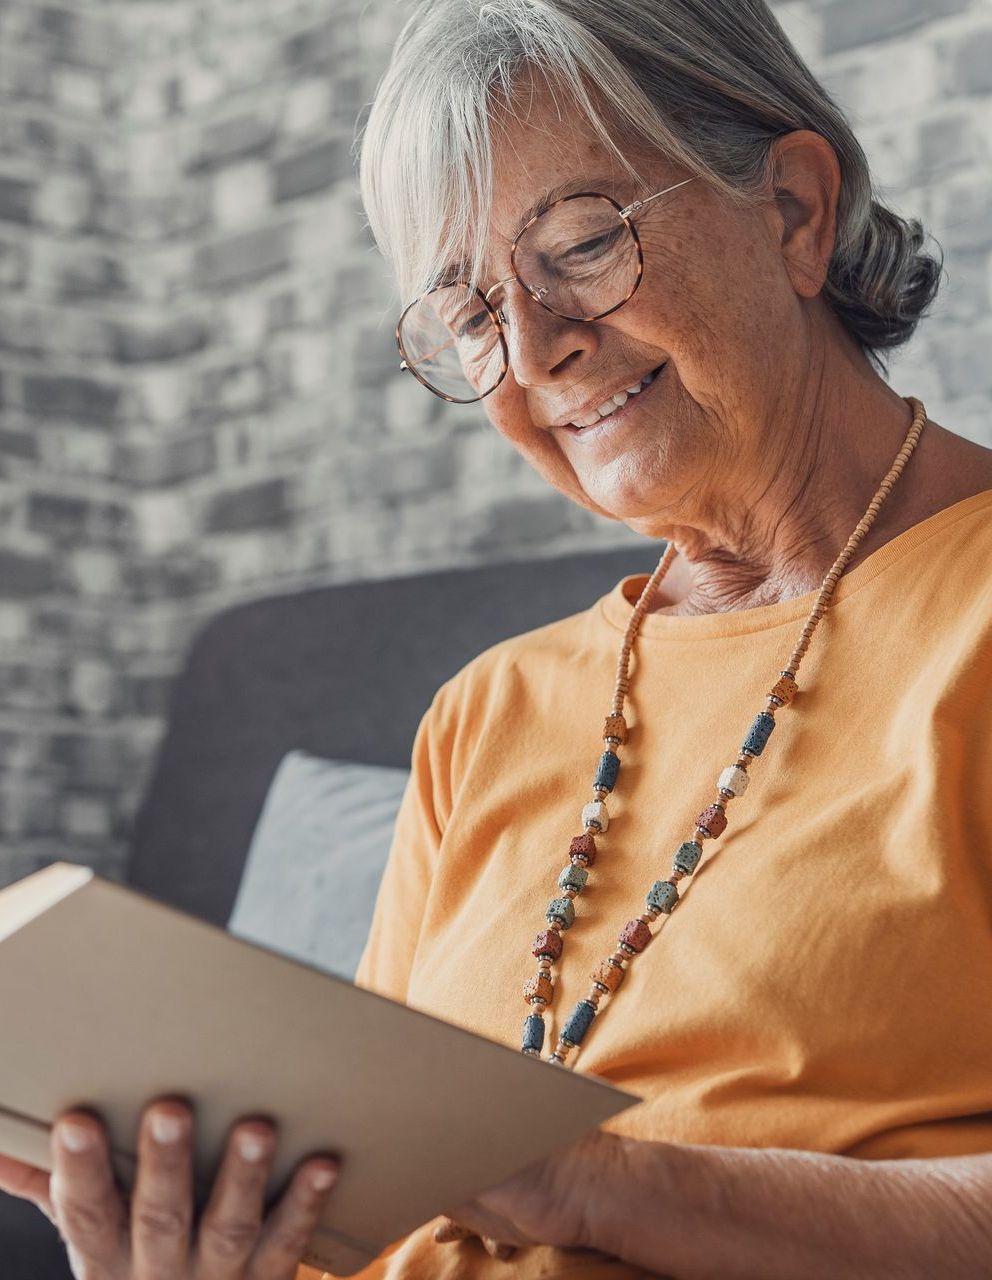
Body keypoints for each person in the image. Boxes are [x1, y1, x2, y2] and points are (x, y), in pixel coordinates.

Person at [2, 1, 991, 1278]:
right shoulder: (484, 712)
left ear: (794, 210)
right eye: (470, 318)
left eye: (580, 246)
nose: (532, 352)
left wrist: (599, 1186)